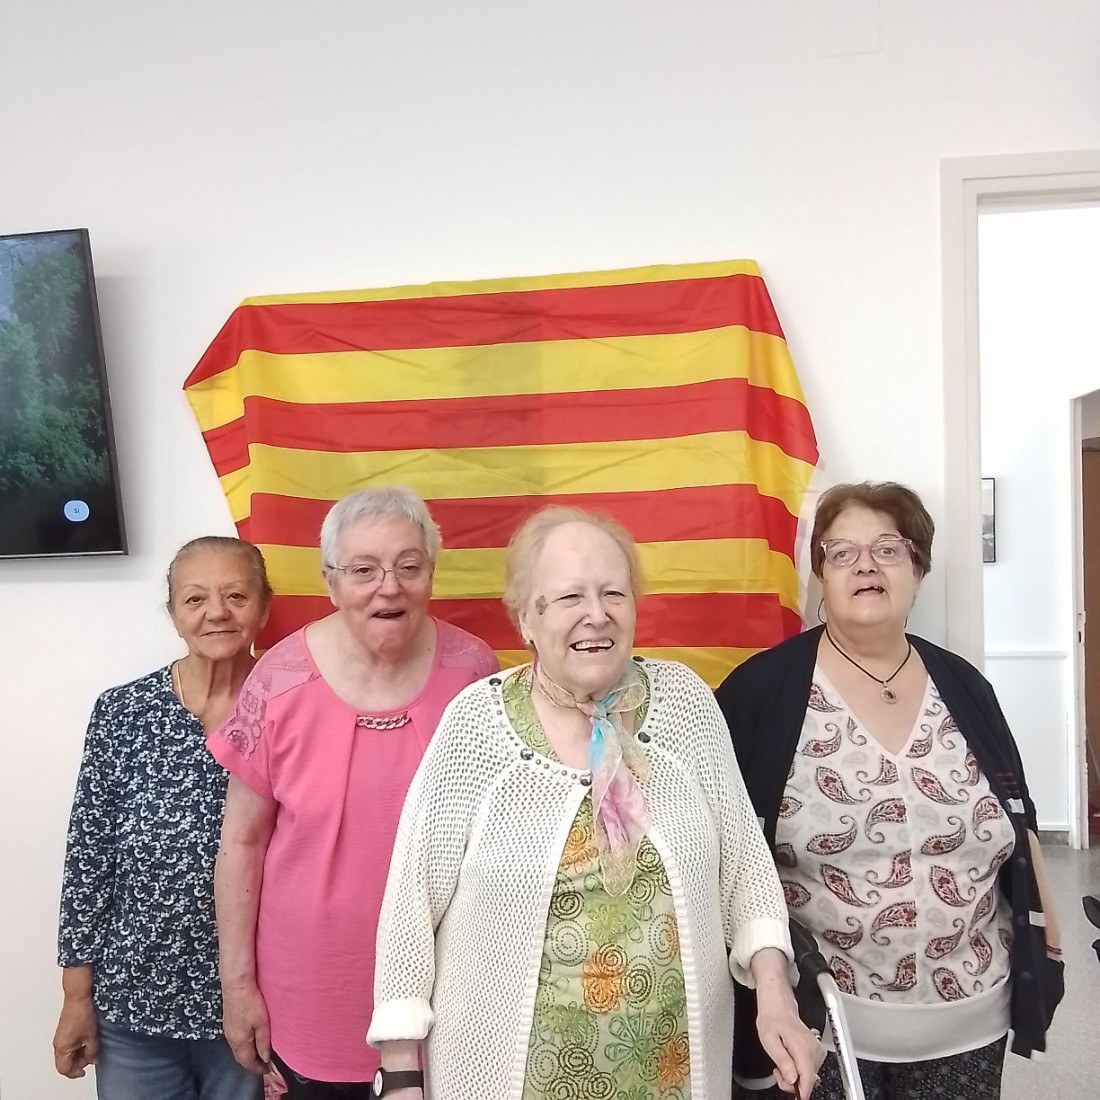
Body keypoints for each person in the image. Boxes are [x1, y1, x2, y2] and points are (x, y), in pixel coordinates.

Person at [368, 506, 822, 1100]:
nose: (597, 614)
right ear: (526, 619)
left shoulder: (686, 704)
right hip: (505, 1080)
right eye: (569, 597)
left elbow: (746, 869)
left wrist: (775, 995)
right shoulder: (477, 726)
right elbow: (410, 904)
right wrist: (401, 1075)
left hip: (674, 1078)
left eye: (614, 593)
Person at [715, 482, 1065, 1100]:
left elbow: (1019, 823)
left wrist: (1050, 948)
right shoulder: (758, 694)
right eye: (842, 553)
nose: (866, 566)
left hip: (971, 1024)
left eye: (888, 549)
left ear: (918, 568)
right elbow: (724, 852)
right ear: (820, 574)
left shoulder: (966, 688)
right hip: (817, 1030)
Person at [210, 486, 498, 1098]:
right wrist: (237, 987)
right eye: (363, 570)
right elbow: (241, 842)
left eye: (408, 566)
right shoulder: (278, 680)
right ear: (331, 581)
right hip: (312, 993)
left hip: (452, 987)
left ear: (431, 574)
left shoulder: (475, 673)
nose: (388, 587)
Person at [54, 536, 272, 1100]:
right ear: (174, 614)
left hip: (255, 1004)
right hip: (133, 1003)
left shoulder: (291, 710)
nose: (216, 612)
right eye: (195, 599)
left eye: (235, 595)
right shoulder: (122, 712)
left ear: (264, 607)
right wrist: (76, 997)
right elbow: (89, 860)